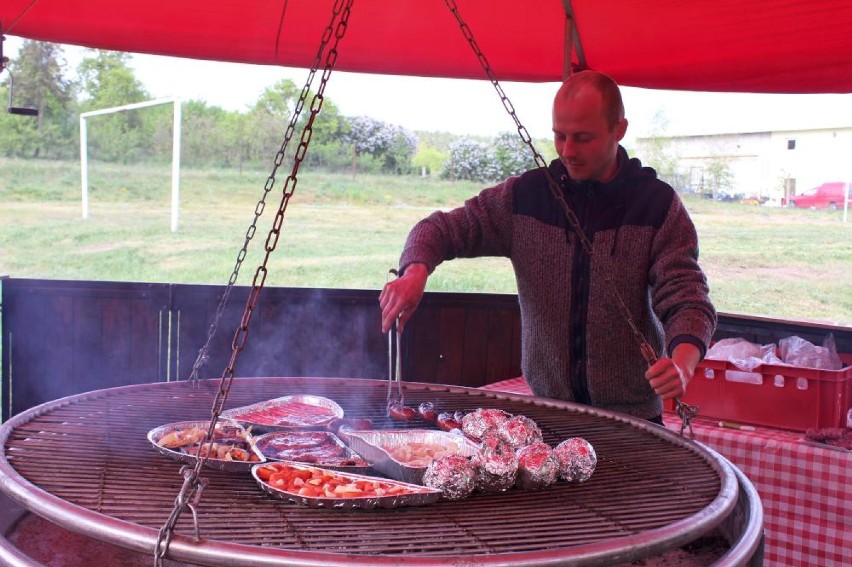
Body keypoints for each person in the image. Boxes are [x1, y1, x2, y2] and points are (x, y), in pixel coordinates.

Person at [379, 70, 716, 424]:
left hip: (634, 421)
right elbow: (440, 229)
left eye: (583, 138)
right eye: (559, 136)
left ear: (619, 129)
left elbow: (688, 299)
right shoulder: (524, 198)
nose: (568, 151)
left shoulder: (656, 205)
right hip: (549, 415)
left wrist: (682, 364)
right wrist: (415, 271)